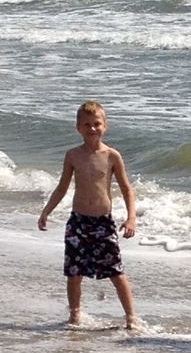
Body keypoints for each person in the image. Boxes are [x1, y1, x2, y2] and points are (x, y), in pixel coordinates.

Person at [38, 101, 137, 328]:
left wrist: (131, 217)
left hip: (103, 223)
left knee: (116, 272)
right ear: (78, 128)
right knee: (74, 273)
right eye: (87, 125)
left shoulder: (112, 156)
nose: (92, 129)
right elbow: (62, 187)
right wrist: (46, 211)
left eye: (97, 124)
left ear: (105, 126)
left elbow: (126, 189)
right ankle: (74, 316)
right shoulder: (73, 155)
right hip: (78, 222)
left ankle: (131, 318)